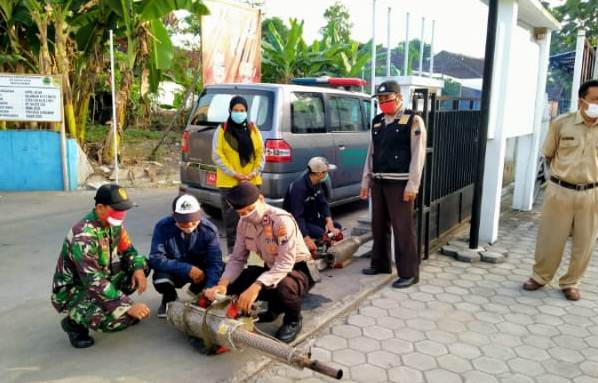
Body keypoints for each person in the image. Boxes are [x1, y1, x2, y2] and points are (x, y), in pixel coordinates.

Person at [204, 183, 319, 343]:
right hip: (271, 268)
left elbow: (285, 263)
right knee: (239, 279)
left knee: (282, 286)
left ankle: (293, 319)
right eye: (242, 212)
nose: (247, 215)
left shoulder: (280, 221)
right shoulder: (243, 224)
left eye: (250, 209)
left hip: (299, 269)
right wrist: (222, 284)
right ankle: (274, 309)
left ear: (261, 199)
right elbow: (237, 258)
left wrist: (255, 287)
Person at [523, 80, 598, 301]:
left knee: (584, 242)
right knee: (550, 237)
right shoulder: (562, 124)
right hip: (560, 191)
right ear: (581, 100)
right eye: (595, 99)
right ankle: (540, 276)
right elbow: (548, 154)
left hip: (592, 193)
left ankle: (571, 282)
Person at [51, 184, 150, 348]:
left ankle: (110, 305)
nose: (121, 214)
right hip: (74, 291)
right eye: (117, 210)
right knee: (119, 321)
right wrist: (127, 306)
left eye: (123, 210)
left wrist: (138, 269)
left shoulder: (114, 225)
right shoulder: (83, 235)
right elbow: (93, 281)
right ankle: (73, 323)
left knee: (141, 265)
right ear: (100, 207)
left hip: (101, 279)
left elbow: (129, 251)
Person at [359, 80, 427, 289]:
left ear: (399, 98)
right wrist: (366, 181)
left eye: (386, 99)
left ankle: (409, 273)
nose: (382, 103)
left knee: (403, 229)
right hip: (379, 181)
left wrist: (412, 186)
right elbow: (371, 153)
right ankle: (380, 264)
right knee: (378, 226)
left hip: (400, 184)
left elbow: (418, 155)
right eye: (379, 99)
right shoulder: (378, 121)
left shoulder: (413, 120)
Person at [149, 194, 224, 317]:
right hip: (174, 270)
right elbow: (156, 258)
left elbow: (214, 262)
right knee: (161, 279)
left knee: (221, 270)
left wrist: (210, 287)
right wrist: (187, 268)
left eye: (193, 221)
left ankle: (199, 291)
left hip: (201, 271)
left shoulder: (209, 230)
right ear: (174, 216)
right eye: (184, 222)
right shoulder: (162, 227)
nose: (189, 225)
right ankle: (169, 299)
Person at [212, 95, 264, 253]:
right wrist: (235, 174)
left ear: (246, 111)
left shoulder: (253, 129)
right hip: (229, 183)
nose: (239, 113)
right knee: (232, 223)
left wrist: (253, 173)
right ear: (230, 110)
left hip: (252, 181)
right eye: (236, 110)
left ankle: (257, 255)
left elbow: (261, 153)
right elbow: (217, 155)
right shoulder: (222, 130)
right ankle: (235, 257)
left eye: (242, 110)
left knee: (256, 221)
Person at [283, 156, 342, 253]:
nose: (327, 174)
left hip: (311, 218)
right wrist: (306, 238)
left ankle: (323, 243)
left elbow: (323, 203)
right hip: (296, 223)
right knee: (322, 234)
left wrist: (329, 221)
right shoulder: (298, 188)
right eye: (326, 172)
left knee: (336, 227)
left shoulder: (317, 183)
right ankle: (309, 245)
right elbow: (297, 216)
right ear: (320, 173)